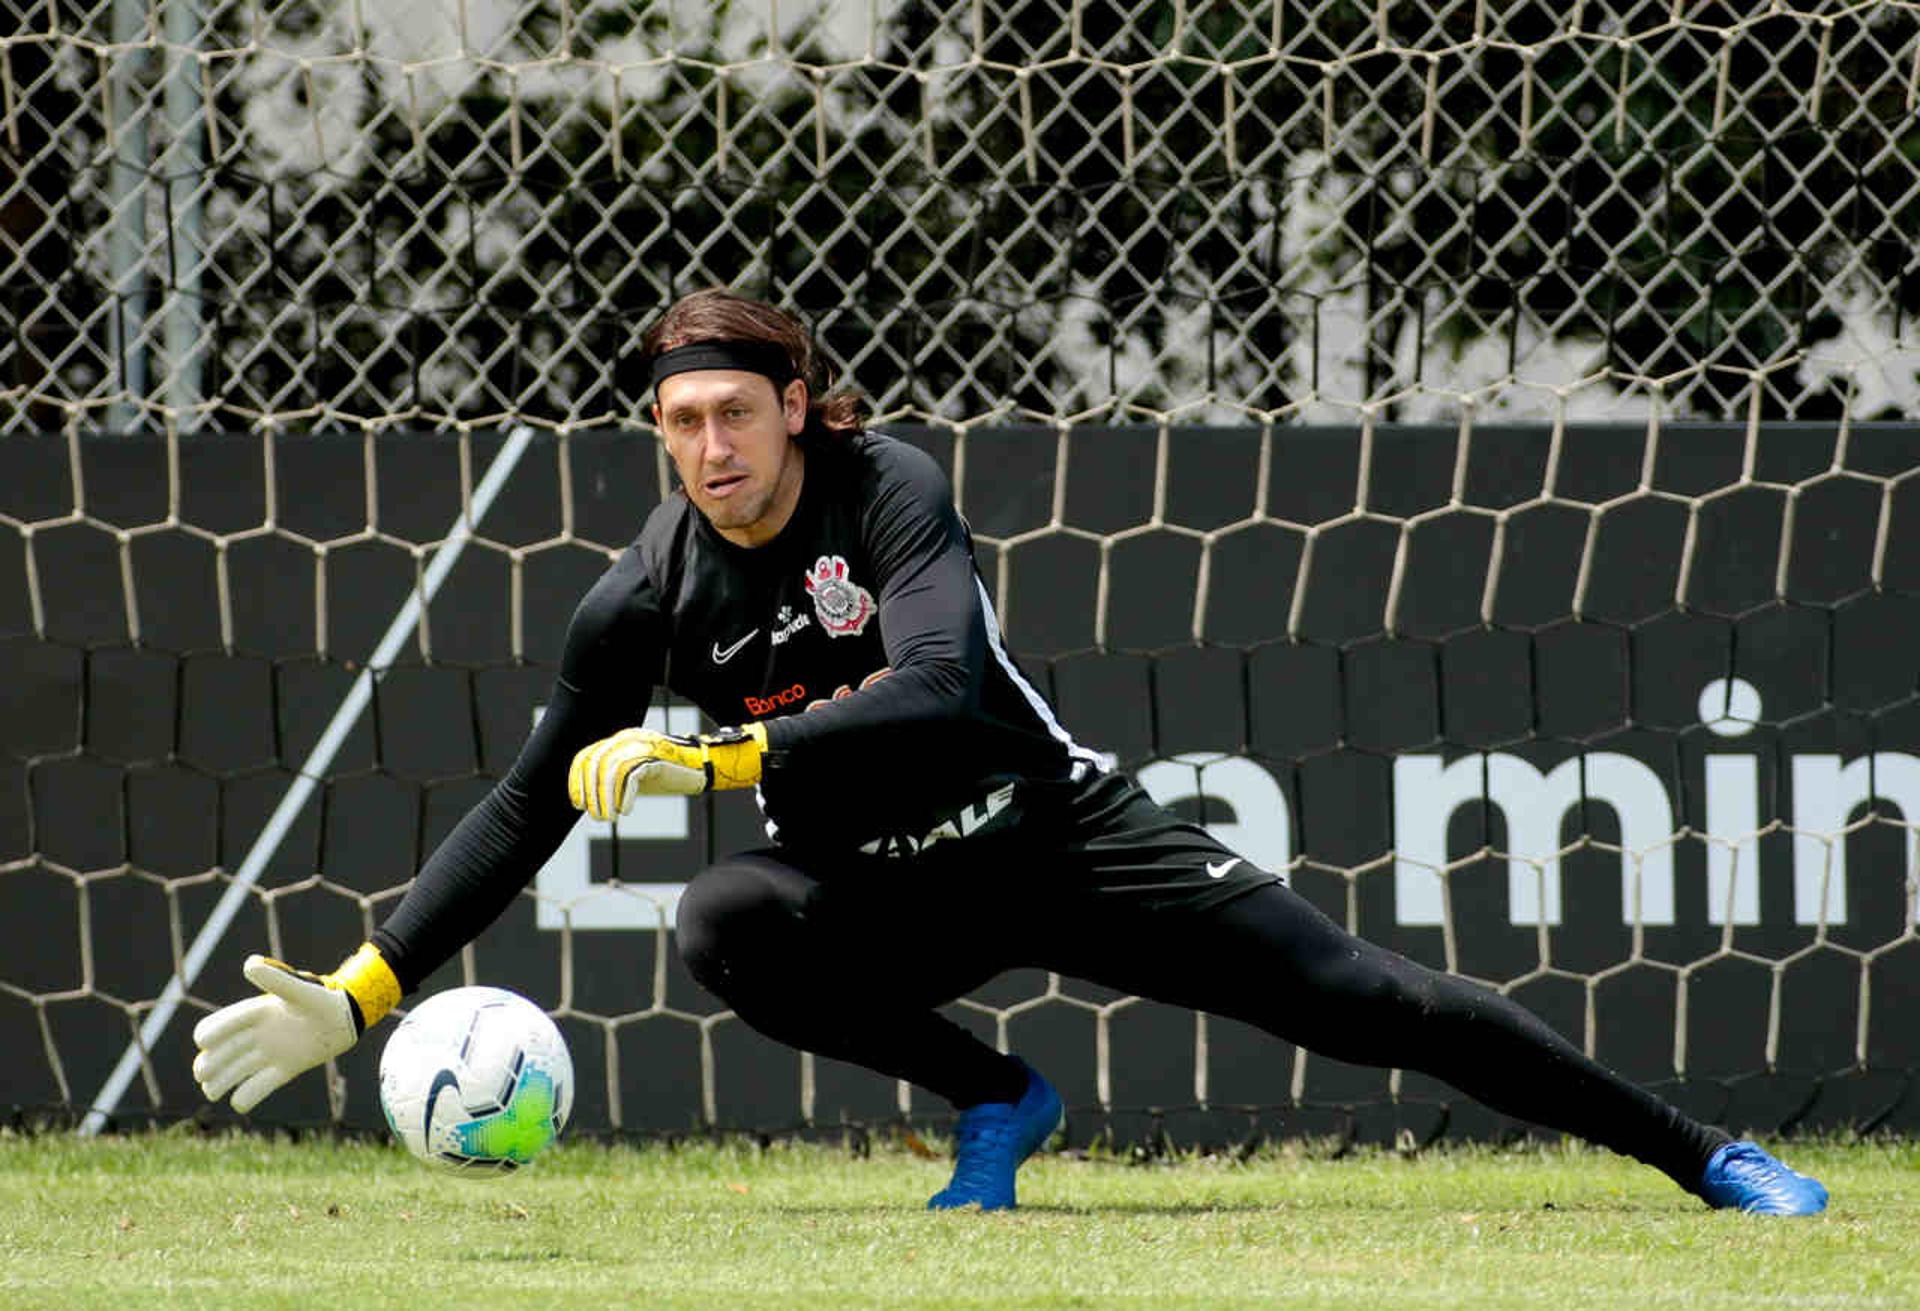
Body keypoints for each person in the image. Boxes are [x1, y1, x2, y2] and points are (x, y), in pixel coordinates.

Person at [192, 288, 1828, 1217]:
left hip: (1056, 833)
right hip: (879, 893)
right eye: (682, 424)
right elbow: (527, 797)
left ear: (798, 407)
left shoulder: (885, 487)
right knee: (721, 927)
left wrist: (719, 769)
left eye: (737, 417)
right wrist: (366, 990)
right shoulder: (646, 600)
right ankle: (1000, 1096)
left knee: (1370, 1006)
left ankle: (1704, 1156)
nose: (711, 450)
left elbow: (942, 686)